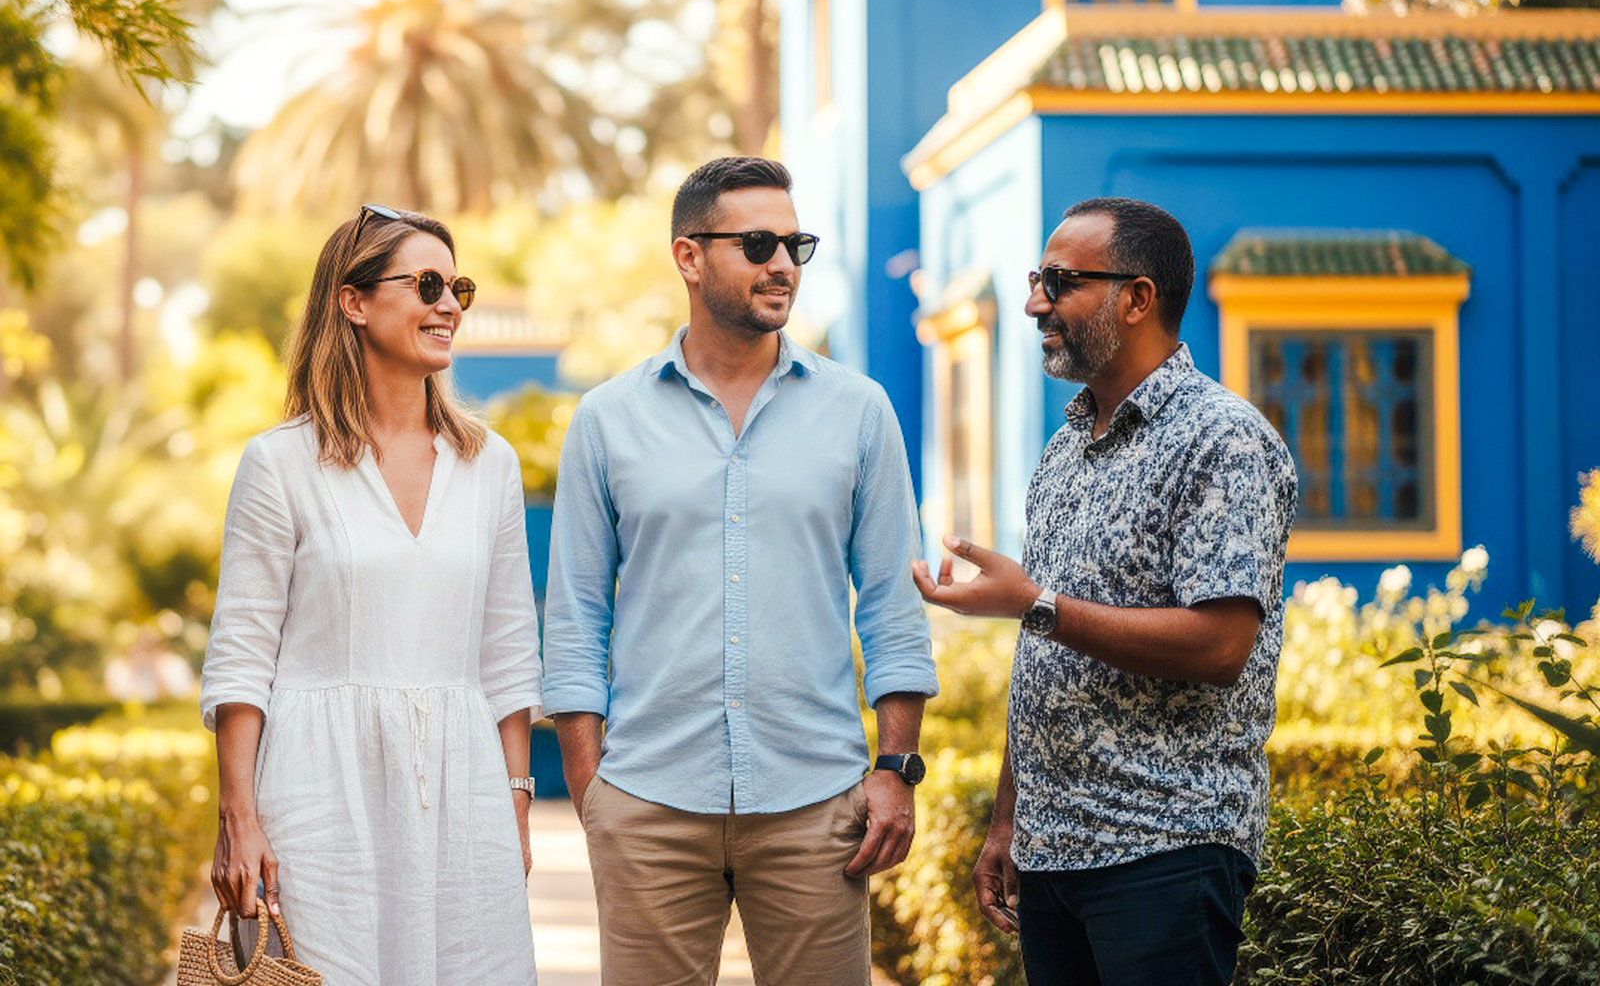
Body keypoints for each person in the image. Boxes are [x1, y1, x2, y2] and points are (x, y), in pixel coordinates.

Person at [542, 156, 938, 986]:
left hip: (815, 802)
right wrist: (591, 786)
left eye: (796, 243)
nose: (783, 264)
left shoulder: (859, 410)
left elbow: (893, 605)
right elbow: (575, 612)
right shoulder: (608, 419)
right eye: (759, 243)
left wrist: (897, 768)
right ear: (689, 256)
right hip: (648, 802)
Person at [913, 198, 1298, 986]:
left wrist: (1036, 604)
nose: (1033, 304)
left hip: (1167, 846)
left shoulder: (1222, 440)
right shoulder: (1066, 446)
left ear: (1137, 298)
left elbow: (1222, 646)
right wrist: (1009, 823)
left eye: (1059, 282)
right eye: (1034, 280)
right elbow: (1043, 656)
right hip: (1053, 854)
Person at [201, 205, 543, 985]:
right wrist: (238, 817)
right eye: (426, 283)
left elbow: (509, 646)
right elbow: (241, 654)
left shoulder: (490, 464)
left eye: (458, 285)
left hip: (465, 793)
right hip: (318, 797)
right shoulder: (279, 465)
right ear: (352, 303)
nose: (449, 304)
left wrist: (514, 800)